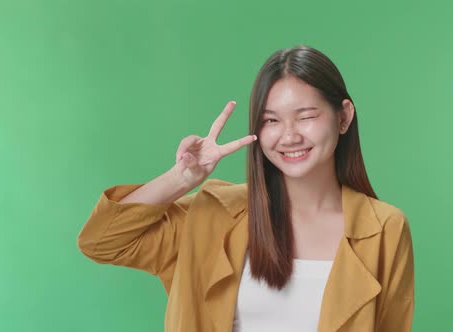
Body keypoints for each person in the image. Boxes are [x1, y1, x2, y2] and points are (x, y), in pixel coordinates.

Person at [77, 45, 414, 332]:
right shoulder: (215, 213)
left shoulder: (384, 228)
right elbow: (102, 242)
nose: (289, 135)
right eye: (271, 120)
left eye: (306, 116)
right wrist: (182, 179)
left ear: (343, 117)